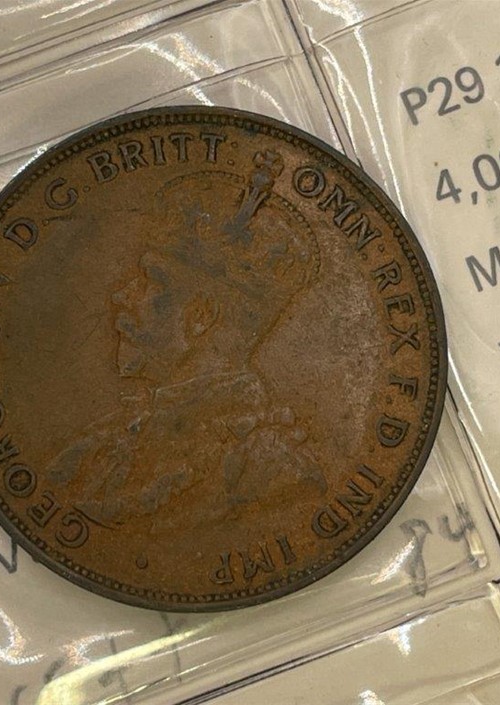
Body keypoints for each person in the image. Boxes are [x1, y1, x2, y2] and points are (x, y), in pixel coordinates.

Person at [47, 152, 327, 533]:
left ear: (201, 317)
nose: (121, 296)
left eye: (149, 282)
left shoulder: (275, 470)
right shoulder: (103, 444)